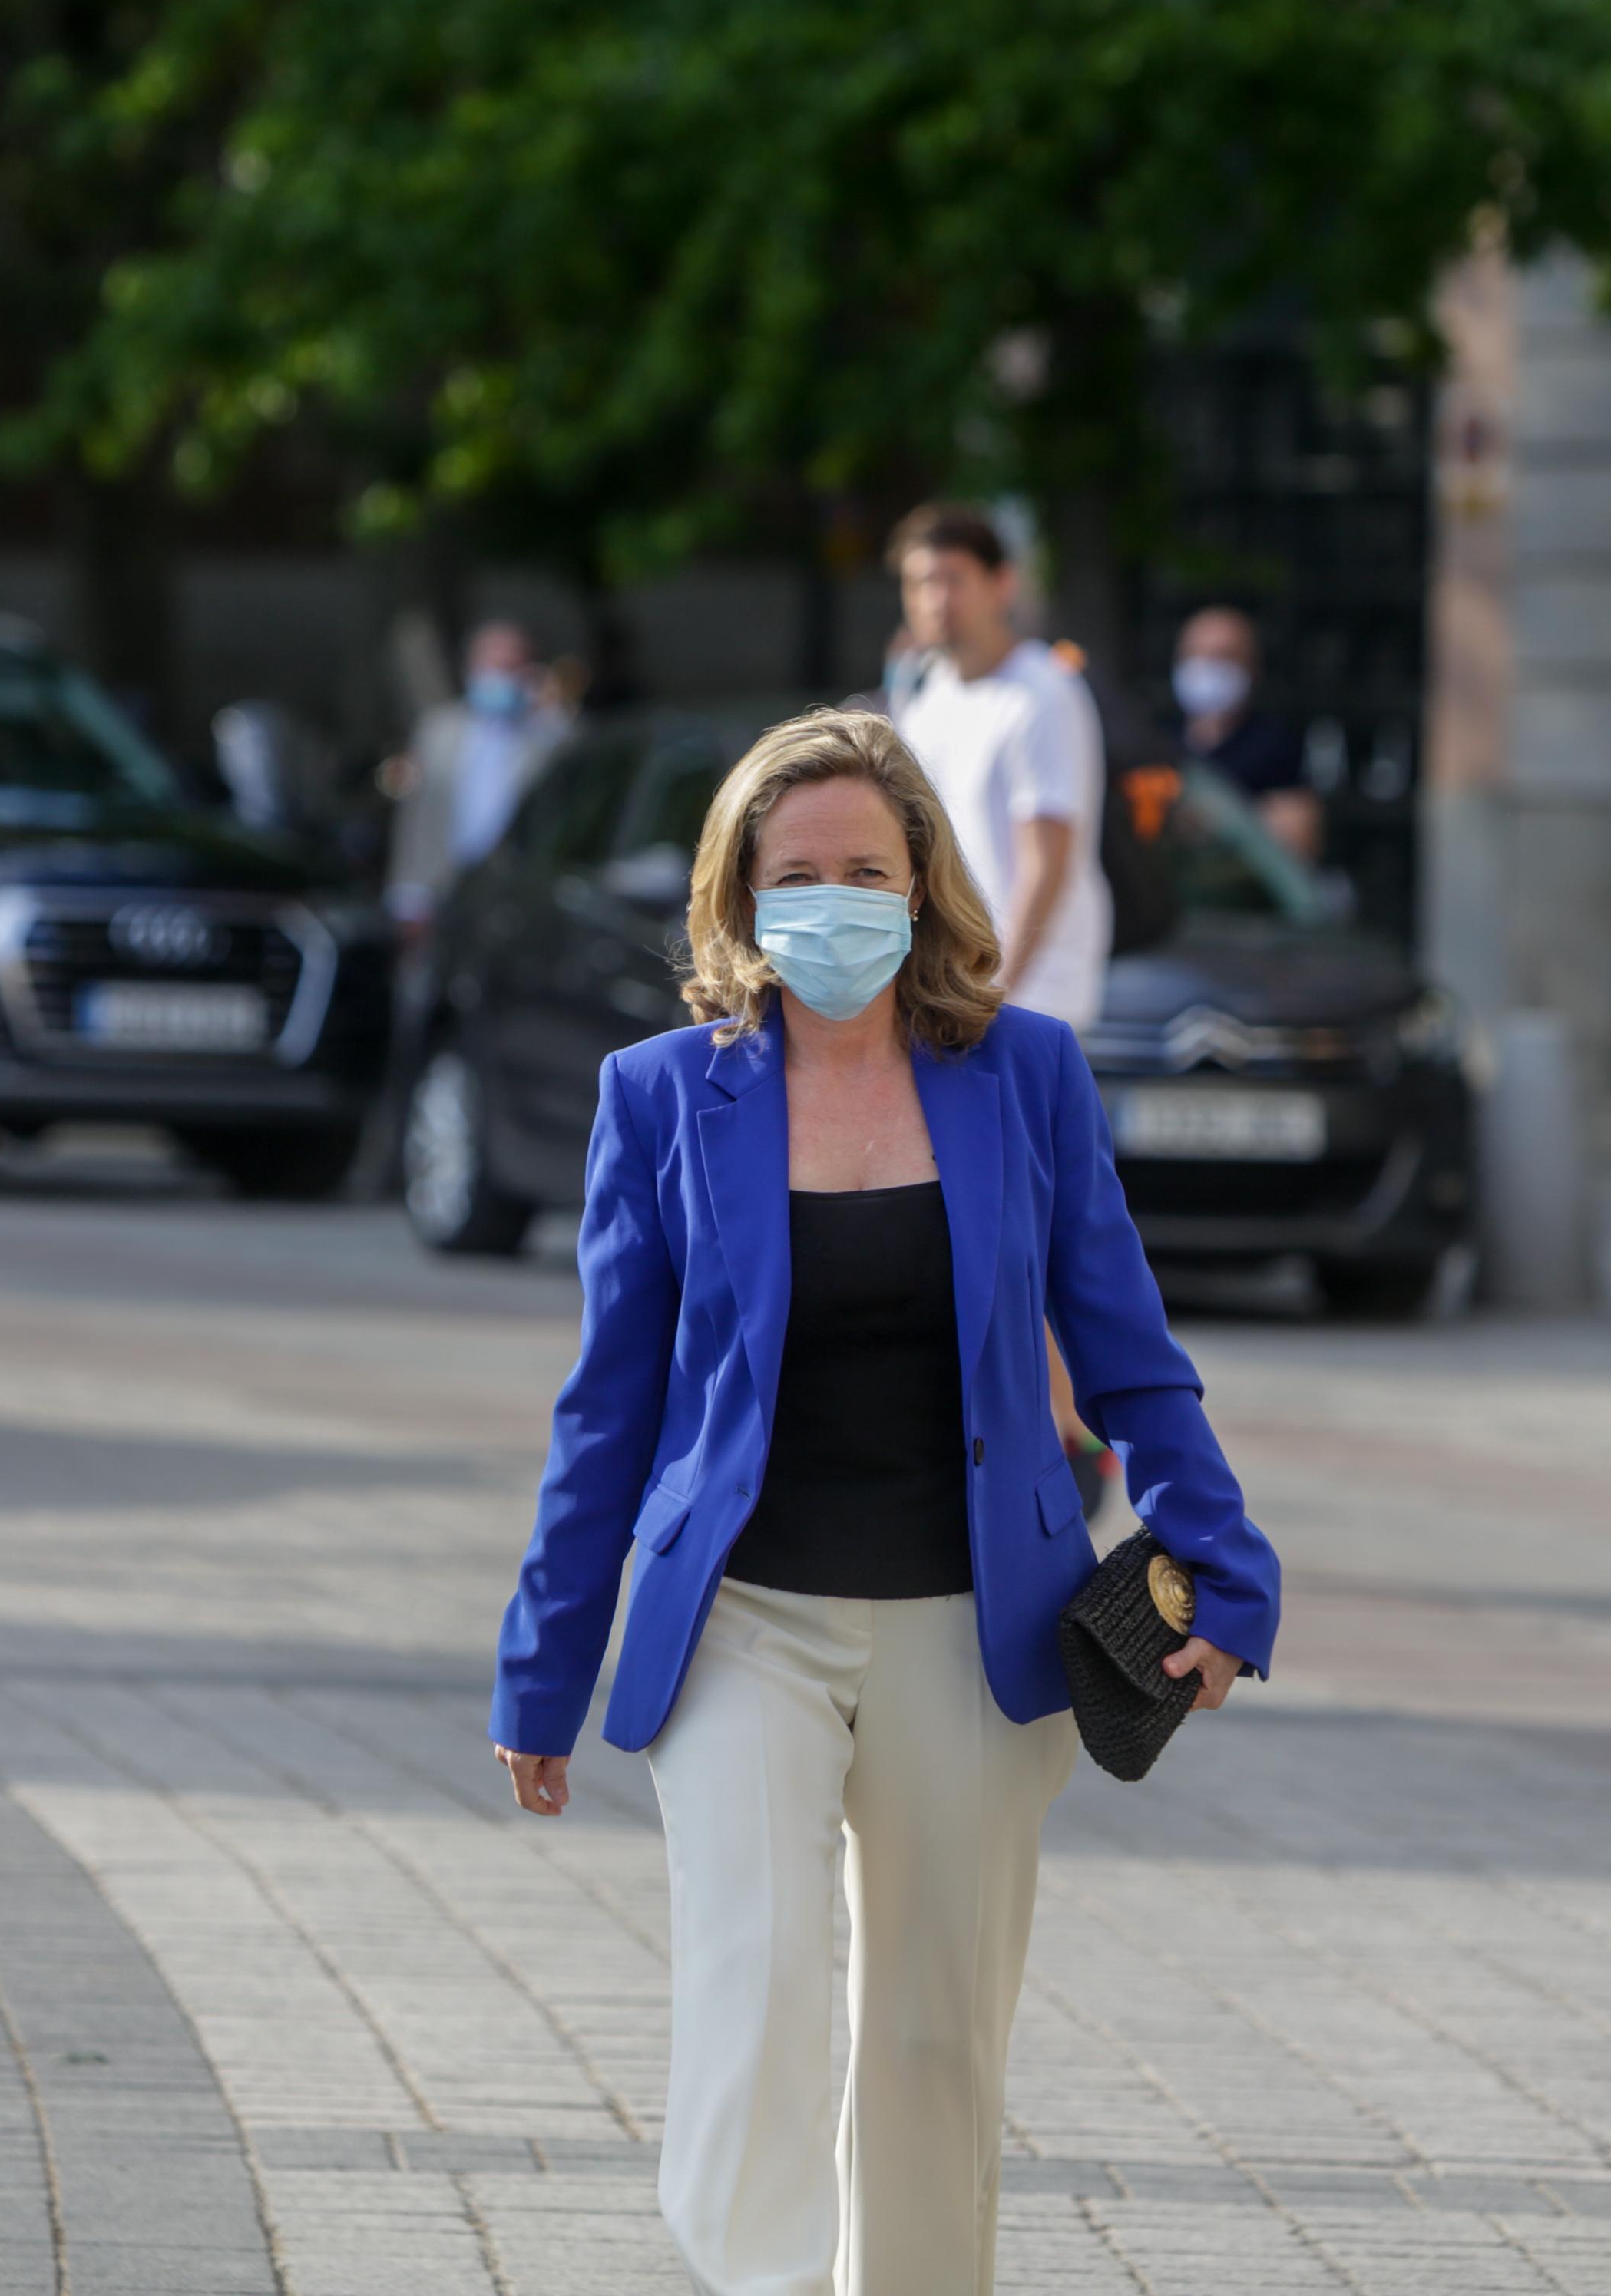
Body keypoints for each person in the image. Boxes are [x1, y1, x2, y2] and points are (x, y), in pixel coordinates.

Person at [487, 706, 1279, 2296]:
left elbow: (1123, 1342)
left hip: (974, 1620)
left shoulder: (1024, 1075)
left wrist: (1226, 1560)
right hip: (743, 1621)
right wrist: (544, 1661)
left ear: (919, 885)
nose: (831, 900)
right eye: (797, 872)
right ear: (739, 896)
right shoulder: (659, 1096)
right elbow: (609, 1409)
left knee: (931, 2038)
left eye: (864, 866)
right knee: (755, 1987)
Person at [888, 504, 1113, 1029]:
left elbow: (1046, 865)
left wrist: (992, 994)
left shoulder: (1043, 693)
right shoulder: (927, 695)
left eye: (953, 580)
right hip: (958, 991)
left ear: (1002, 585)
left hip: (1031, 998)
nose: (936, 600)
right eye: (920, 582)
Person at [385, 617, 570, 938]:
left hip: (513, 900)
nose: (503, 677)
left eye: (513, 668)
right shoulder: (439, 731)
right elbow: (417, 817)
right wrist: (407, 893)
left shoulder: (545, 735)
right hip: (440, 890)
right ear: (473, 667)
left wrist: (551, 709)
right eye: (495, 666)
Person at [1170, 603, 1323, 863]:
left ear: (1252, 668)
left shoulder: (1275, 746)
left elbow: (1298, 837)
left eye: (1223, 656)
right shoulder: (1160, 740)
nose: (1205, 667)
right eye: (1193, 654)